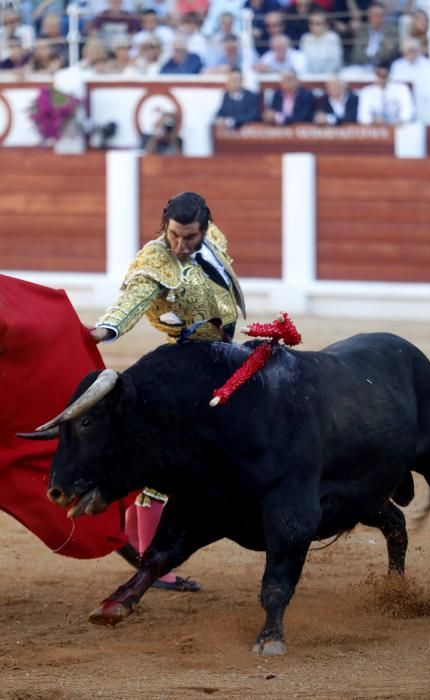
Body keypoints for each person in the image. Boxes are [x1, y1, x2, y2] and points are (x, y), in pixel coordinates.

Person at [90, 192, 246, 590]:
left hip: (220, 355)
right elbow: (130, 301)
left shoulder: (214, 241)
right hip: (182, 368)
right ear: (165, 227)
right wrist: (102, 332)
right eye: (174, 235)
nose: (180, 245)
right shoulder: (154, 262)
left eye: (189, 237)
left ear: (205, 229)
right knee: (169, 462)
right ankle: (151, 559)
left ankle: (138, 539)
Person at [357, 59, 415, 125]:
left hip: (399, 127)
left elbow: (408, 110)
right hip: (376, 129)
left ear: (389, 75)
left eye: (384, 76)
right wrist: (374, 121)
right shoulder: (366, 92)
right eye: (378, 75)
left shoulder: (401, 89)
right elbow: (363, 116)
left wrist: (401, 120)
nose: (381, 79)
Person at [299, 8, 343, 74]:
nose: (313, 26)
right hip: (309, 76)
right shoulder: (305, 38)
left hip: (329, 76)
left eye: (317, 23)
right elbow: (303, 61)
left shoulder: (333, 37)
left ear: (326, 25)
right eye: (311, 23)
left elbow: (335, 62)